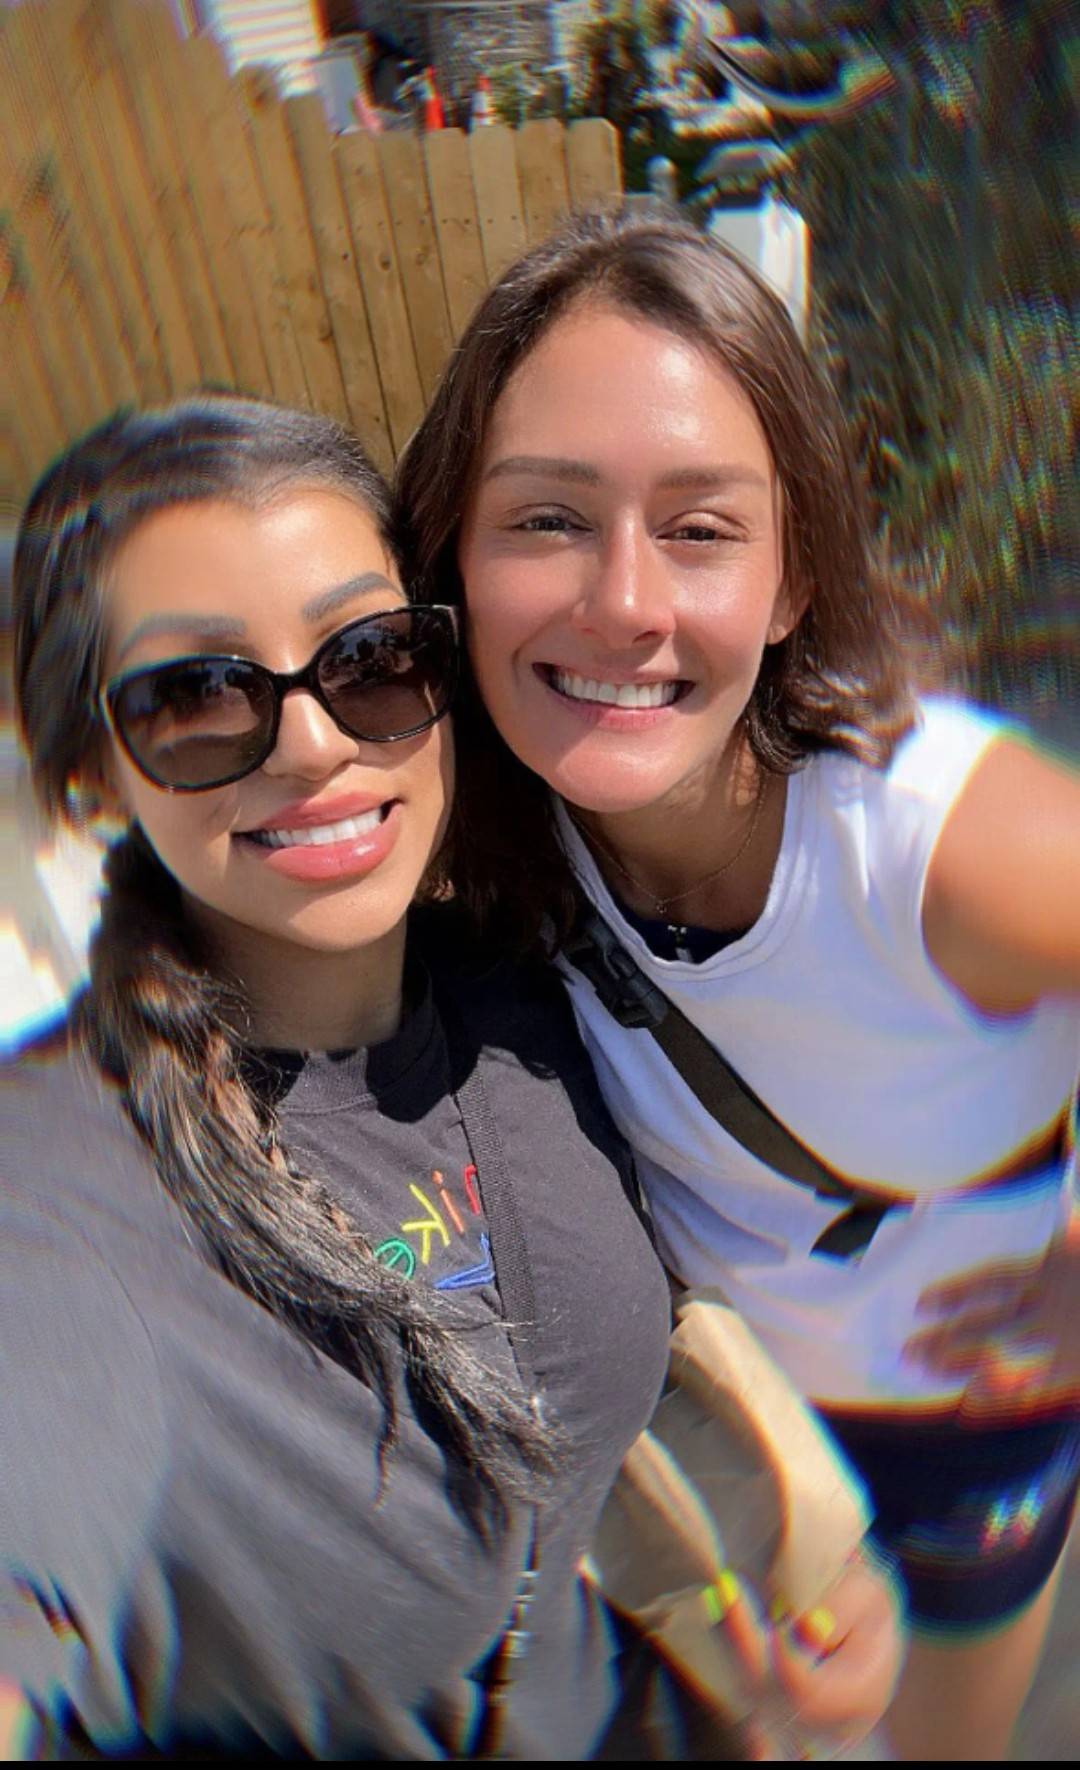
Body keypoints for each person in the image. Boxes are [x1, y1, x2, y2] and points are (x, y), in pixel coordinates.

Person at [395, 205, 1080, 1761]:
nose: (622, 600)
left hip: (969, 1426)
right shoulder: (479, 824)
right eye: (546, 519)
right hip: (734, 1425)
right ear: (455, 560)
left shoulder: (933, 842)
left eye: (699, 528)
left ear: (789, 580)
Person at [2, 396, 685, 1760]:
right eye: (197, 694)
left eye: (368, 657)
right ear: (92, 780)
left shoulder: (533, 993)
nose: (313, 742)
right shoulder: (58, 1194)